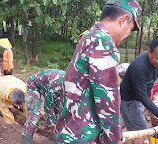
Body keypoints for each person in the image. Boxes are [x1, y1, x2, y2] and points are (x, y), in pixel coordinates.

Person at [54, 0, 142, 143]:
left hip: (69, 129)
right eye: (130, 29)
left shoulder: (90, 35)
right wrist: (114, 136)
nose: (127, 35)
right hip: (83, 136)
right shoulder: (103, 41)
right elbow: (107, 98)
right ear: (123, 20)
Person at [21, 69, 65, 144]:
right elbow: (48, 107)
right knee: (34, 119)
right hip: (35, 86)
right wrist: (54, 124)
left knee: (60, 116)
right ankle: (26, 141)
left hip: (49, 88)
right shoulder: (57, 84)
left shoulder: (77, 88)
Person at [0, 75, 26, 143]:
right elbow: (3, 108)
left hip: (10, 80)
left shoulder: (25, 89)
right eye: (14, 103)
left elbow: (27, 104)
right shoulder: (1, 92)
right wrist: (12, 120)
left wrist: (28, 116)